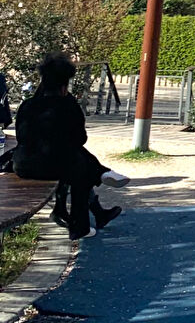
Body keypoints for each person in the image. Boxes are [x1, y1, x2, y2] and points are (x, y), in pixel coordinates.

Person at [14, 53, 128, 240]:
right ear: (64, 86)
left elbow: (21, 136)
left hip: (23, 164)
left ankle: (99, 180)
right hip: (53, 166)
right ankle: (80, 226)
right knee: (79, 169)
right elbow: (80, 139)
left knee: (75, 159)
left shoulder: (27, 105)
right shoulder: (68, 105)